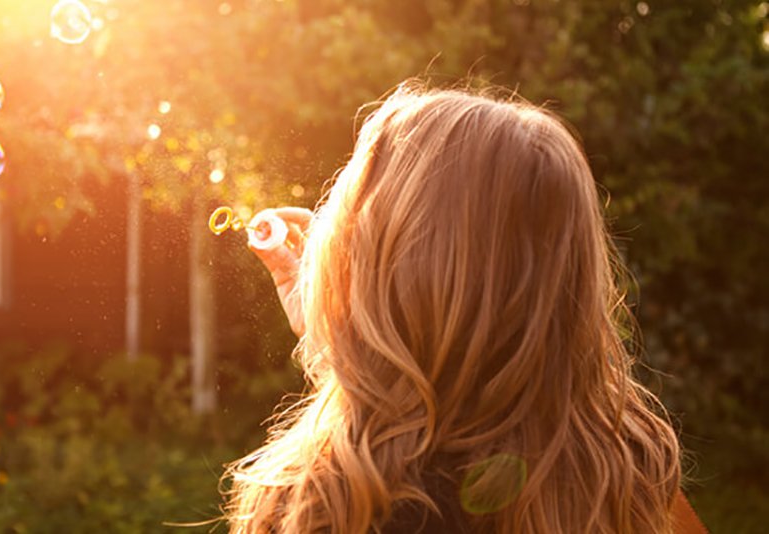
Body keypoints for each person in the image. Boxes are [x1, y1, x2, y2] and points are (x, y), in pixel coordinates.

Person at [223, 83, 706, 533]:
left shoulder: (323, 503)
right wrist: (336, 346)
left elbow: (418, 426)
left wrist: (352, 354)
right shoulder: (627, 474)